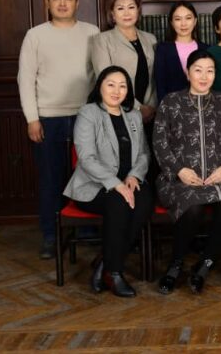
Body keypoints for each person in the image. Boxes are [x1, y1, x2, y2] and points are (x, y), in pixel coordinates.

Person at [18, 0, 99, 259]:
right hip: (48, 119)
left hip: (85, 116)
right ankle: (51, 236)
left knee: (88, 175)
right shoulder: (35, 35)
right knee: (51, 179)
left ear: (77, 2)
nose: (62, 3)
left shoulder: (92, 32)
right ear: (47, 3)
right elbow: (25, 79)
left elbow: (100, 75)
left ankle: (87, 230)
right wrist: (32, 118)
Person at [154, 50, 221, 294]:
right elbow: (159, 142)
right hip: (179, 177)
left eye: (209, 71)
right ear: (187, 72)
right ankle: (176, 264)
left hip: (219, 176)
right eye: (198, 70)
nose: (204, 76)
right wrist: (179, 170)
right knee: (192, 208)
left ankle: (205, 264)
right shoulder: (171, 102)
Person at [63, 66, 154, 297]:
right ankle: (114, 273)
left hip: (129, 182)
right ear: (100, 87)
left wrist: (133, 176)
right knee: (119, 203)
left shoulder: (133, 115)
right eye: (111, 85)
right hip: (94, 187)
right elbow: (86, 158)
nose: (116, 91)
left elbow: (144, 153)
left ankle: (105, 262)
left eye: (122, 86)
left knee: (144, 202)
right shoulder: (89, 113)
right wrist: (116, 184)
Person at [91, 0, 158, 124]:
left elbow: (155, 77)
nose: (127, 13)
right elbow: (105, 80)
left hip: (151, 113)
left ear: (138, 11)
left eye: (131, 7)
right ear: (112, 14)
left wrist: (151, 107)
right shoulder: (102, 40)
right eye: (120, 8)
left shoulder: (150, 39)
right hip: (119, 111)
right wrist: (138, 108)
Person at [154, 1, 209, 103]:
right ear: (172, 23)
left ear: (195, 21)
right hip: (172, 107)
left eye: (188, 18)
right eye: (178, 19)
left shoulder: (206, 49)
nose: (183, 24)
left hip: (203, 105)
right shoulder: (163, 49)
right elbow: (160, 85)